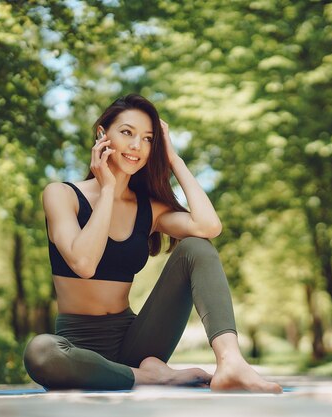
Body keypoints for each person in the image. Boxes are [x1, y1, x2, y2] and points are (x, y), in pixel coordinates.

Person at [22, 94, 282, 393]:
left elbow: (208, 227)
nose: (136, 146)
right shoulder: (62, 195)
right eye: (127, 133)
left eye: (147, 139)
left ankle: (231, 363)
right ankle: (154, 376)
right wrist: (107, 189)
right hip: (77, 349)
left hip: (137, 342)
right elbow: (84, 263)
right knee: (40, 353)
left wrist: (174, 159)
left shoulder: (150, 208)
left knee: (196, 247)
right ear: (102, 135)